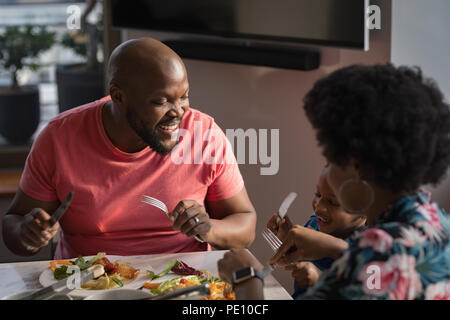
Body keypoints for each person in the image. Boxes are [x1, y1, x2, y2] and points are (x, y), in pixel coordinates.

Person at [2, 38, 256, 259]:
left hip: (182, 282)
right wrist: (28, 233)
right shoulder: (59, 138)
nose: (179, 111)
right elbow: (13, 225)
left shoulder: (204, 135)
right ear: (118, 96)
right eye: (161, 100)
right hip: (89, 284)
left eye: (184, 96)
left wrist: (209, 228)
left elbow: (245, 225)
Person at [218, 64, 450, 300]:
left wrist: (247, 280)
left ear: (356, 167)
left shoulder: (375, 254)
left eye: (330, 158)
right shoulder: (439, 224)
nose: (327, 173)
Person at [266, 164, 366, 298]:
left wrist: (320, 280)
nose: (319, 208)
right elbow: (299, 259)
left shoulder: (369, 248)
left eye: (333, 202)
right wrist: (287, 241)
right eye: (318, 195)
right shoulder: (315, 223)